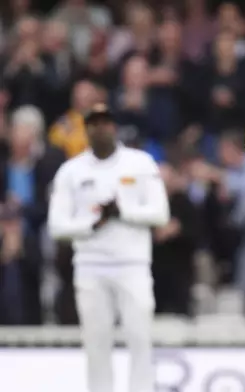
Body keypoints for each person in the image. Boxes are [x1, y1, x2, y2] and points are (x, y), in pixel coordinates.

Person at [47, 103, 170, 392]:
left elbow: (160, 213)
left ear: (114, 126)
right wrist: (92, 223)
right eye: (93, 123)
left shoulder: (140, 163)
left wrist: (122, 211)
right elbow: (57, 226)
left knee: (140, 338)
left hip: (133, 265)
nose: (100, 128)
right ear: (85, 129)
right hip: (90, 267)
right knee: (96, 343)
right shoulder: (71, 171)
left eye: (105, 122)